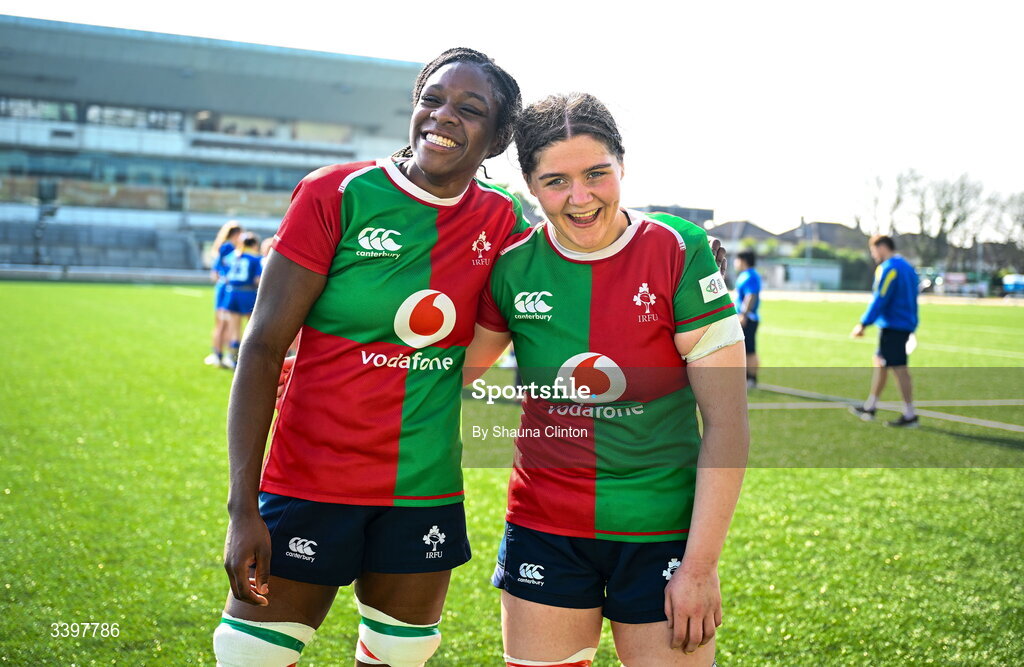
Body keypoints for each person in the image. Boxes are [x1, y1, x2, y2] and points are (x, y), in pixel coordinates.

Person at [213, 48, 531, 667]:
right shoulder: (337, 193)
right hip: (309, 480)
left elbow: (577, 260)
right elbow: (261, 346)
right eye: (432, 99)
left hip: (421, 489)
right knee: (248, 656)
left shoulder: (502, 219)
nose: (443, 116)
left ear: (495, 141)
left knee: (398, 657)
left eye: (470, 109)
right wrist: (241, 508)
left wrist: (674, 251)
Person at [464, 93, 749, 667]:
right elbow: (451, 373)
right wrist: (316, 366)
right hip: (544, 529)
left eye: (597, 174)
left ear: (623, 166)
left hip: (659, 536)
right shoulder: (513, 263)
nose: (580, 197)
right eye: (555, 181)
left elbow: (727, 424)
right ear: (529, 184)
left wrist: (699, 568)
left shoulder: (678, 250)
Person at [849, 234, 920, 427]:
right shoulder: (908, 267)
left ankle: (910, 415)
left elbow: (880, 298)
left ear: (882, 247)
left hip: (894, 325)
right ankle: (871, 406)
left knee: (899, 368)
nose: (873, 255)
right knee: (880, 362)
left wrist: (863, 323)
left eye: (873, 250)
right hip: (903, 323)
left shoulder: (889, 268)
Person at [222, 233, 264, 369]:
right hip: (247, 293)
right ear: (253, 245)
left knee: (234, 328)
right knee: (252, 328)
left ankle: (233, 359)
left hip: (232, 292)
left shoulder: (232, 256)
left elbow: (225, 275)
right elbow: (257, 279)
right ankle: (249, 360)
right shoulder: (255, 258)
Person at [205, 221, 243, 367]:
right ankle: (218, 354)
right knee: (222, 323)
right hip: (226, 288)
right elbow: (218, 271)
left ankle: (222, 354)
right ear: (235, 234)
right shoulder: (228, 247)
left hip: (226, 287)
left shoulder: (228, 247)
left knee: (226, 323)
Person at [734, 250, 761, 388]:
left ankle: (752, 379)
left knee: (750, 350)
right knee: (743, 349)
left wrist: (744, 314)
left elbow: (750, 296)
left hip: (748, 318)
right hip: (744, 317)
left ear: (743, 260)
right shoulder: (745, 275)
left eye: (737, 259)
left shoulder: (751, 276)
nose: (735, 262)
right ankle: (745, 377)